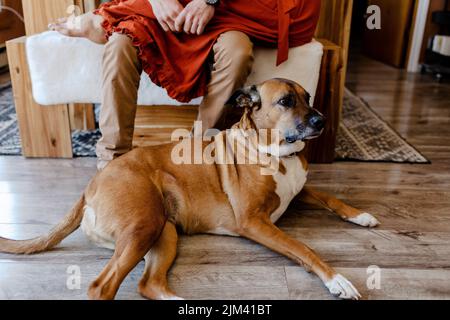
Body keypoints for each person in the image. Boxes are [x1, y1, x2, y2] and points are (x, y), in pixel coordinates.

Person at [49, 0, 321, 170]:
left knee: (237, 51)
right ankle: (112, 159)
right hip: (164, 9)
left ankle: (199, 147)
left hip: (231, 10)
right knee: (120, 43)